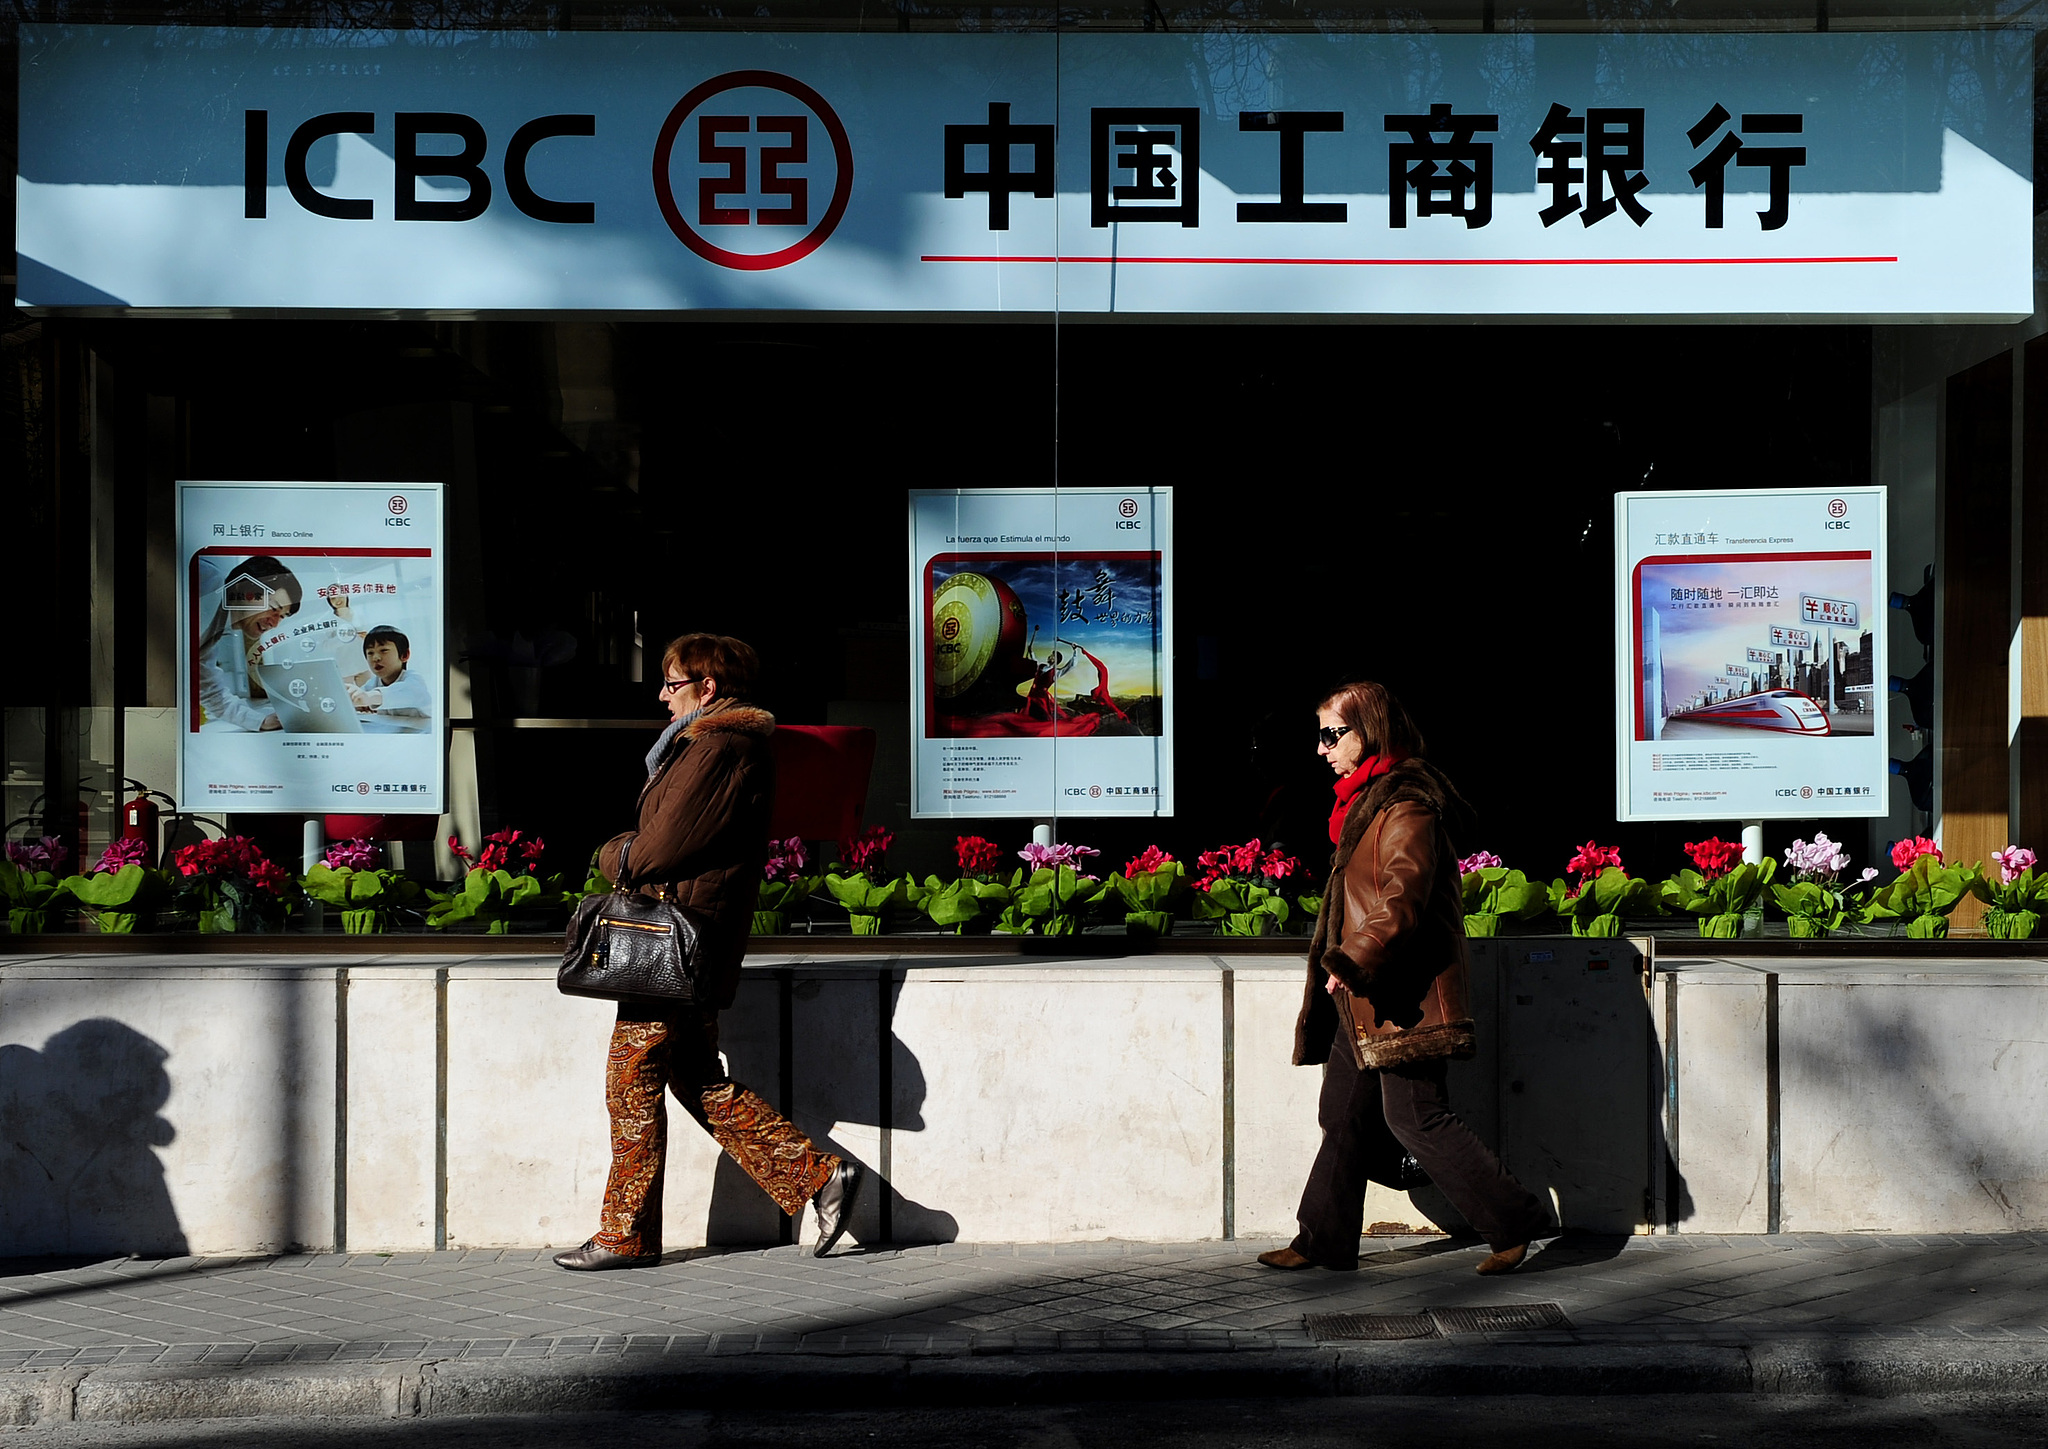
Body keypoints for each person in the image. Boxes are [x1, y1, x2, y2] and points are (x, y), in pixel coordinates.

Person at [554, 633, 862, 1271]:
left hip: (672, 944)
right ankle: (817, 1176)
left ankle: (624, 1235)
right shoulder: (707, 746)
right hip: (686, 942)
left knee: (629, 1084)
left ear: (708, 688)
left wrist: (611, 852)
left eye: (671, 684)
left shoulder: (719, 747)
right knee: (696, 1078)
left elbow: (660, 848)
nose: (663, 697)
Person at [1260, 680, 1551, 1276]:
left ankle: (1516, 1219)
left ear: (1370, 732)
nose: (1321, 749)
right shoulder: (1364, 802)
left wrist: (1354, 957)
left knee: (1415, 1116)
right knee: (1341, 1115)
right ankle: (1322, 1239)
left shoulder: (1407, 803)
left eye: (1331, 735)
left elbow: (1402, 894)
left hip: (1400, 990)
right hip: (1361, 991)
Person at [195, 556, 302, 732]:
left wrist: (261, 721)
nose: (274, 624)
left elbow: (208, 688)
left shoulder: (216, 628)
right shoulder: (205, 580)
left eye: (281, 616)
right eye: (273, 608)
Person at [348, 625, 431, 719]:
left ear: (404, 655)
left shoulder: (414, 679)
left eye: (384, 650)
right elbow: (360, 698)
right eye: (370, 653)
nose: (376, 658)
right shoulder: (372, 683)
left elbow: (408, 692)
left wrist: (369, 697)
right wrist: (356, 703)